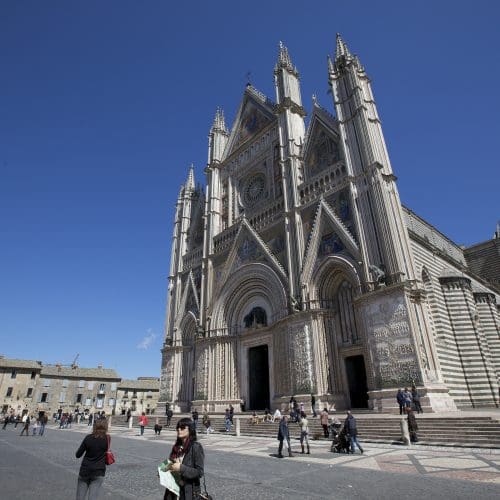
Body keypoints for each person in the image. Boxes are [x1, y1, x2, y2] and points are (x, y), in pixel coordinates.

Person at [163, 418, 204, 500]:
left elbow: (199, 472)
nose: (179, 430)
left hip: (188, 492)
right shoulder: (176, 447)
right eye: (177, 428)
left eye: (182, 428)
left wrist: (181, 468)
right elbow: (169, 464)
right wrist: (163, 470)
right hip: (172, 491)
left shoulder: (196, 447)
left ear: (190, 429)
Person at [75, 418, 110, 500]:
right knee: (93, 497)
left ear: (95, 426)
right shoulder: (107, 439)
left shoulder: (88, 438)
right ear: (106, 427)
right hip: (99, 471)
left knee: (80, 497)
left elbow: (78, 455)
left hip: (85, 470)